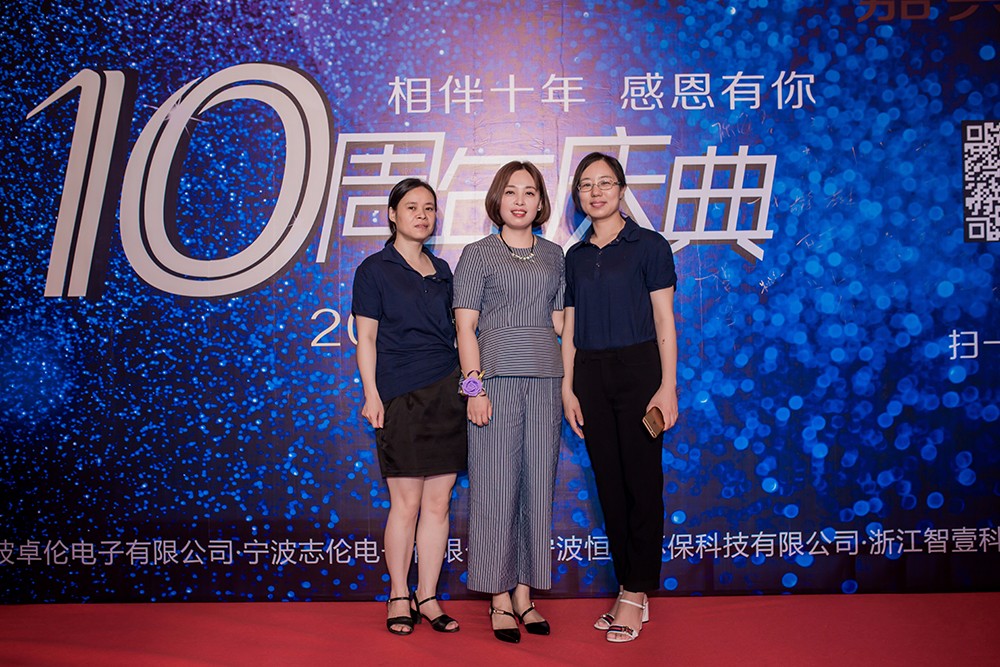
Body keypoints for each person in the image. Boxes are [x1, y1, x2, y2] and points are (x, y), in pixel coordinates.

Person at [560, 152, 679, 644]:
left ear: (622, 189)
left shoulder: (649, 246)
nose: (596, 192)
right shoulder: (574, 256)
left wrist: (667, 385)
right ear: (578, 195)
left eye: (605, 182)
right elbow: (569, 327)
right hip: (590, 374)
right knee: (609, 486)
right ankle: (630, 586)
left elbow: (665, 320)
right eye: (586, 185)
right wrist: (567, 386)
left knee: (642, 485)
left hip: (639, 371)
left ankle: (635, 591)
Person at [453, 161, 565, 644]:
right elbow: (465, 327)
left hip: (547, 382)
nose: (520, 201)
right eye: (511, 191)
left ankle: (524, 593)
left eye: (530, 192)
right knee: (496, 490)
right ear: (497, 199)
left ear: (541, 202)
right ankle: (498, 597)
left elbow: (560, 323)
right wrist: (473, 389)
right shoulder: (477, 254)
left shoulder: (555, 255)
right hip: (494, 385)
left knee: (537, 489)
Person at [352, 178, 467, 636]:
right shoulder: (374, 269)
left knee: (438, 504)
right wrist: (372, 394)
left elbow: (459, 334)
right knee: (406, 503)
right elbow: (366, 338)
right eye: (412, 207)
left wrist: (470, 386)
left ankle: (428, 596)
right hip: (399, 393)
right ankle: (399, 594)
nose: (422, 215)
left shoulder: (443, 270)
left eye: (429, 208)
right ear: (392, 215)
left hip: (448, 392)